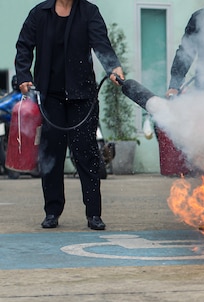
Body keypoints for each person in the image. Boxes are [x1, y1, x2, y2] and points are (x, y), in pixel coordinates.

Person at [15, 0, 125, 230]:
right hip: (50, 96)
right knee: (52, 155)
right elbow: (24, 45)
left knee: (86, 154)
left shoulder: (89, 12)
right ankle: (52, 211)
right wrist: (24, 74)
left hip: (82, 96)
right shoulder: (39, 13)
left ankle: (93, 214)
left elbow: (101, 44)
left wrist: (113, 67)